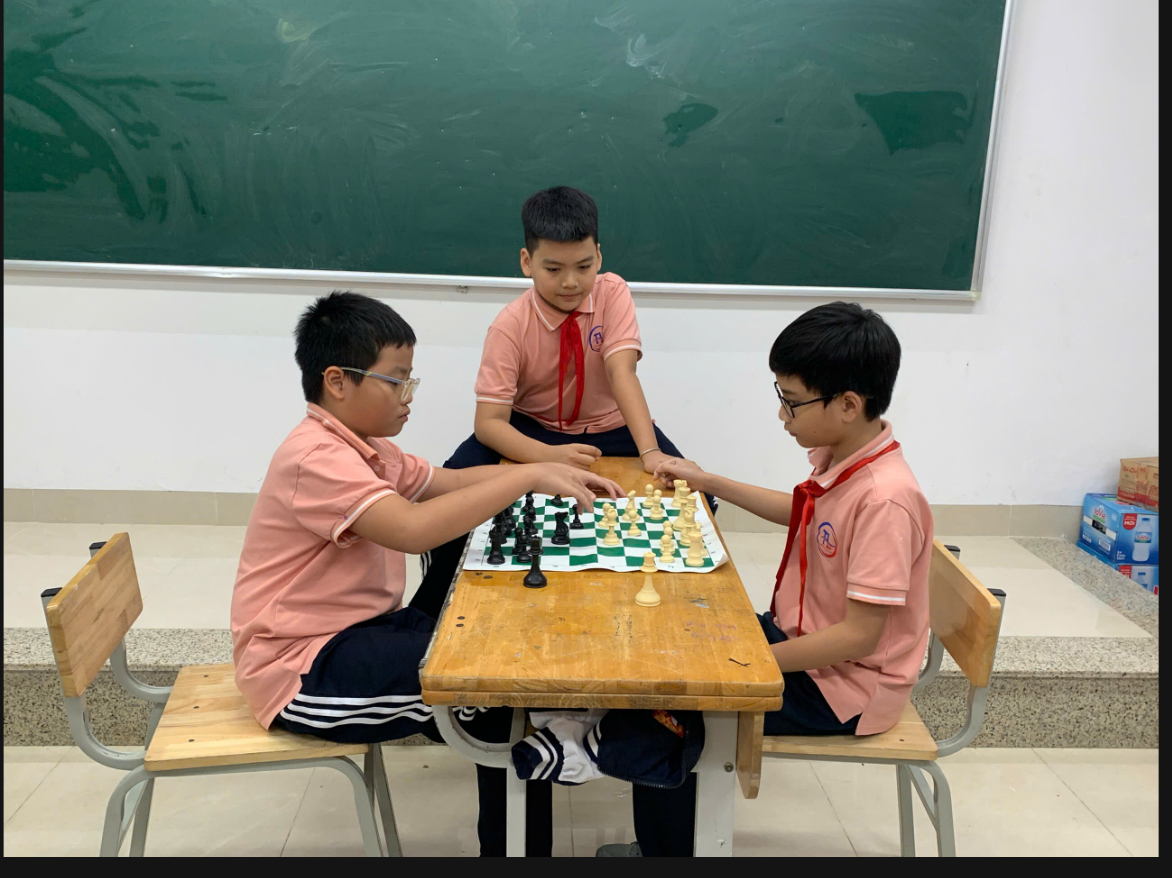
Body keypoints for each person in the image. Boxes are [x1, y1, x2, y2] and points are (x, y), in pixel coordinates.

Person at [230, 291, 621, 856]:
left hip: (360, 632)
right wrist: (524, 478)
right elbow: (413, 530)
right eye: (396, 381)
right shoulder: (316, 457)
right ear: (337, 381)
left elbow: (449, 483)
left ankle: (552, 755)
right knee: (493, 687)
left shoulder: (365, 447)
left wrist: (545, 464)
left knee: (497, 652)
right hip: (302, 670)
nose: (408, 396)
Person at [598, 301, 933, 856]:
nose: (782, 414)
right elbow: (803, 511)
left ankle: (665, 851)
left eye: (792, 401)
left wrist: (744, 667)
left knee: (673, 703)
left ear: (848, 404)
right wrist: (706, 480)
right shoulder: (845, 457)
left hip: (843, 688)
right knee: (673, 639)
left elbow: (860, 637)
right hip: (806, 646)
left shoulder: (885, 499)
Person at [412, 185, 701, 618]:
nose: (571, 282)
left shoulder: (612, 293)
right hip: (531, 427)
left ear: (599, 257)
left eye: (583, 266)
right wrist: (547, 457)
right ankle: (431, 610)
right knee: (448, 494)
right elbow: (489, 424)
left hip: (611, 426)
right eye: (553, 269)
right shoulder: (509, 326)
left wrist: (650, 452)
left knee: (691, 492)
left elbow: (621, 371)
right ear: (526, 262)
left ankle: (676, 608)